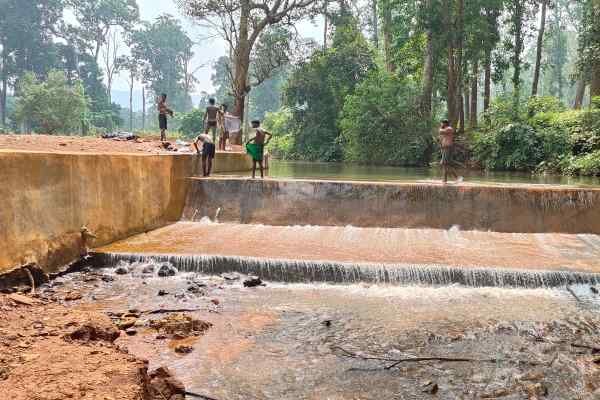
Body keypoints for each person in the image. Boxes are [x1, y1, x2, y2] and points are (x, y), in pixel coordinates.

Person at [439, 119, 463, 184]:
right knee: (445, 164)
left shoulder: (449, 128)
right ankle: (444, 180)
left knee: (446, 164)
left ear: (445, 123)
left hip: (448, 148)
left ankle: (457, 177)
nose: (441, 125)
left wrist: (440, 128)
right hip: (445, 148)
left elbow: (440, 131)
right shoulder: (446, 129)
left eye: (442, 123)